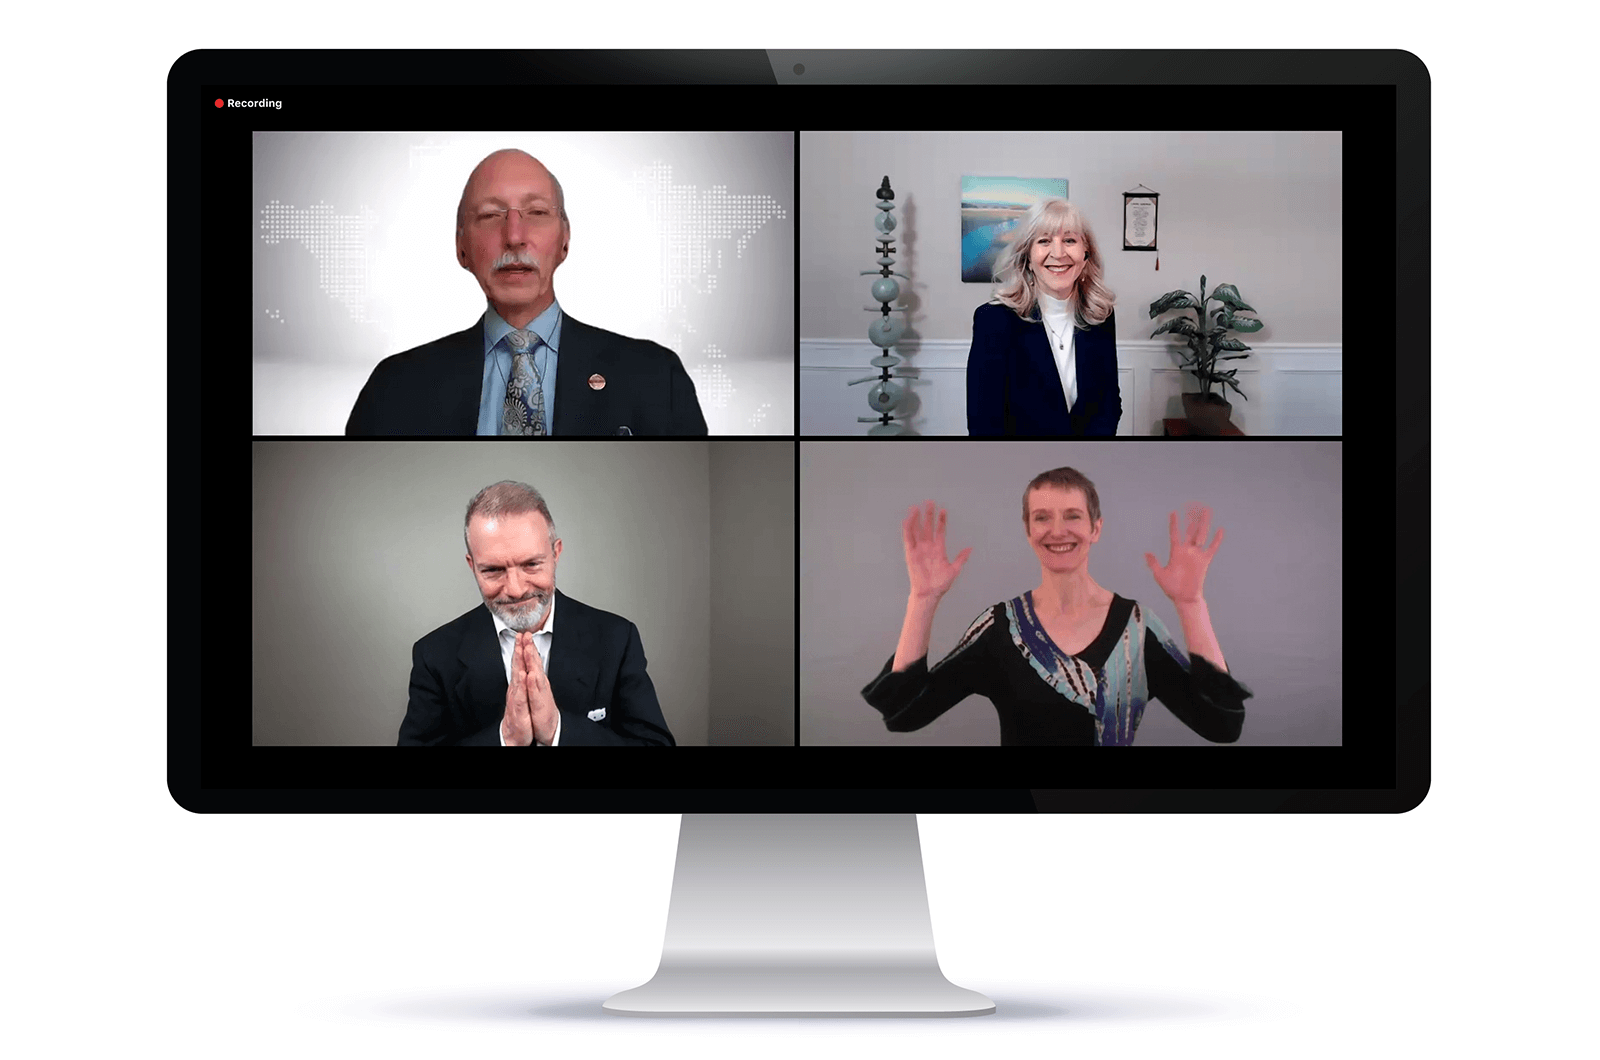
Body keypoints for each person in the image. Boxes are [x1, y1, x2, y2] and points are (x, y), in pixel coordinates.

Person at [861, 467, 1250, 745]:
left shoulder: (1138, 630)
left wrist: (1190, 603)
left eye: (1073, 516)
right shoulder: (1001, 628)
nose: (1057, 530)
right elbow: (906, 715)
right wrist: (923, 600)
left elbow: (1222, 726)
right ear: (1029, 530)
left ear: (1096, 528)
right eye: (1042, 517)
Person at [347, 149, 707, 437]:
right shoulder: (394, 389)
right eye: (490, 215)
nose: (515, 236)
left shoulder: (657, 377)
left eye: (536, 212)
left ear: (565, 241)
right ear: (461, 247)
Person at [398, 480, 676, 746]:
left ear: (556, 553)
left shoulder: (617, 639)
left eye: (531, 564)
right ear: (472, 566)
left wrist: (557, 730)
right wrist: (505, 739)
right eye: (493, 570)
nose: (516, 590)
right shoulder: (433, 655)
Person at [966, 199, 1120, 436]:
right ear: (1027, 256)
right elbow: (984, 425)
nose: (1058, 254)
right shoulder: (994, 321)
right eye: (1044, 241)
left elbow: (1109, 403)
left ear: (1086, 253)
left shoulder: (1102, 316)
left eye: (1069, 240)